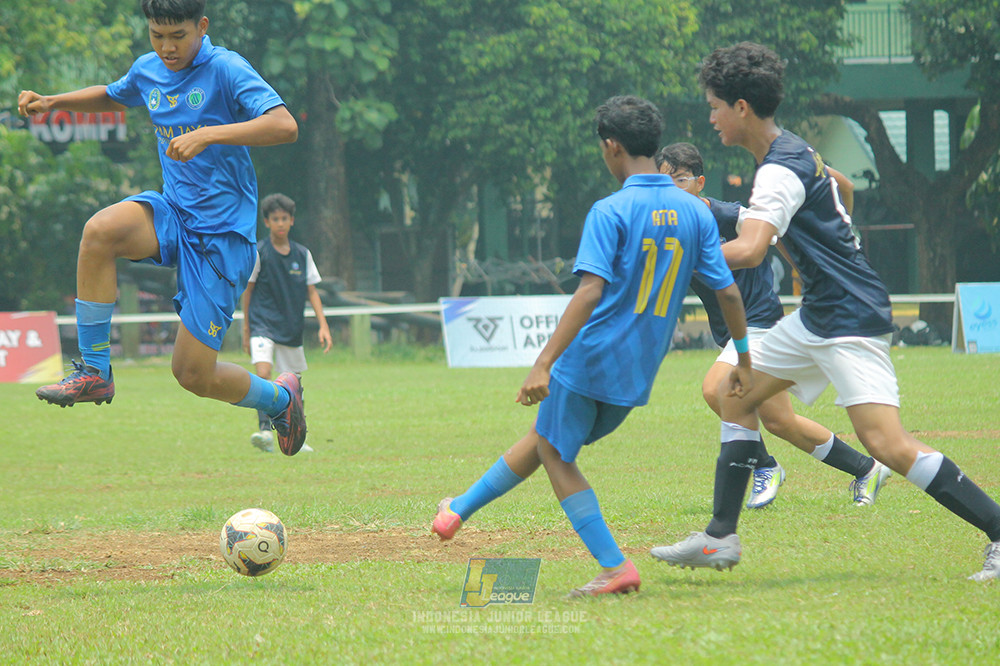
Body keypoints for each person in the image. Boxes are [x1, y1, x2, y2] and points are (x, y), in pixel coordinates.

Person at [652, 42, 1000, 582]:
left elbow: (747, 250)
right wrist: (829, 250)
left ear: (742, 107)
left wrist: (670, 260)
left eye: (715, 105)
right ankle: (720, 537)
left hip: (849, 315)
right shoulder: (796, 152)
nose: (711, 116)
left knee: (887, 443)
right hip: (823, 310)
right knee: (732, 393)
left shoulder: (777, 172)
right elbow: (844, 187)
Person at [431, 95, 753, 597]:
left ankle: (613, 565)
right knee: (547, 438)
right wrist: (745, 357)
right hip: (640, 370)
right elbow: (729, 290)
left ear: (612, 146)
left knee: (557, 455)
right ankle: (457, 511)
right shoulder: (695, 213)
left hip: (591, 357)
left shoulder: (611, 209)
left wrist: (543, 362)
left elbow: (589, 291)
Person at [19, 0, 308, 456]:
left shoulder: (227, 69)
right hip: (173, 213)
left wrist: (209, 133)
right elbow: (114, 94)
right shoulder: (149, 69)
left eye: (178, 36)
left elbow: (284, 125)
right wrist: (54, 102)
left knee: (193, 375)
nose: (167, 47)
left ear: (202, 27)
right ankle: (95, 371)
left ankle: (281, 397)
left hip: (221, 238)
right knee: (99, 232)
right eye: (157, 35)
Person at [655, 142, 890, 509]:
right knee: (782, 422)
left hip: (760, 321)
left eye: (680, 180)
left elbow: (783, 235)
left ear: (700, 182)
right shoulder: (667, 232)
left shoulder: (732, 216)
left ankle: (764, 466)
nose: (671, 189)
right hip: (730, 335)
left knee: (715, 389)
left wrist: (825, 264)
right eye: (663, 182)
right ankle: (866, 468)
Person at [242, 193, 332, 453]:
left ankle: (295, 436)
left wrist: (323, 325)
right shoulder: (259, 253)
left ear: (291, 221)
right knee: (263, 373)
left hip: (290, 328)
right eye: (275, 219)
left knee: (295, 386)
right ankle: (263, 431)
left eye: (284, 218)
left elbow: (312, 291)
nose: (280, 223)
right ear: (267, 222)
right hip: (262, 324)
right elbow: (248, 290)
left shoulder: (303, 255)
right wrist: (247, 328)